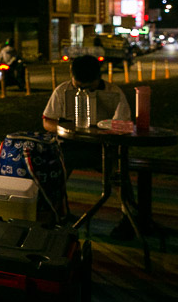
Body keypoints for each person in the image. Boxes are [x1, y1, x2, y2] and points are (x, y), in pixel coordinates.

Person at [41, 54, 135, 235]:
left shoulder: (114, 93)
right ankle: (54, 213)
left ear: (99, 78)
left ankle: (129, 216)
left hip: (103, 147)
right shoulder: (62, 91)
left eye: (89, 88)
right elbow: (47, 121)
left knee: (118, 173)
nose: (83, 91)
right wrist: (64, 129)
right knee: (54, 171)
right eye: (78, 87)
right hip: (69, 146)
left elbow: (125, 123)